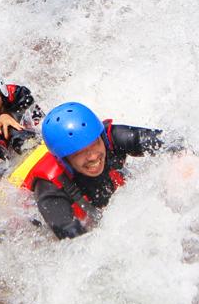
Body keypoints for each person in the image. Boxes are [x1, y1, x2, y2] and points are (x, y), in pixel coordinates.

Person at [20, 102, 172, 239]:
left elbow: (170, 141)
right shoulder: (50, 188)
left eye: (94, 143)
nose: (93, 156)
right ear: (63, 159)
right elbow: (74, 241)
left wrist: (183, 163)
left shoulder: (111, 138)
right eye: (78, 152)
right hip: (33, 214)